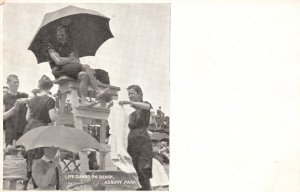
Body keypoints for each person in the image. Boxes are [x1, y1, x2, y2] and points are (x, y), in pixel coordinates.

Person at [47, 25, 109, 106]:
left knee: (84, 75)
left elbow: (76, 61)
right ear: (56, 36)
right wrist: (69, 59)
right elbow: (58, 61)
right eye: (58, 35)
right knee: (86, 66)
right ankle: (97, 91)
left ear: (66, 36)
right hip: (58, 70)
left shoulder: (68, 47)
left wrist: (66, 59)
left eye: (62, 35)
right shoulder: (51, 47)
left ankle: (83, 101)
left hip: (70, 69)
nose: (60, 37)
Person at [22, 75, 58, 190]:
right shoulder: (50, 100)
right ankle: (37, 184)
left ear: (39, 86)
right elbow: (52, 118)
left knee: (29, 156)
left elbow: (27, 118)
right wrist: (57, 113)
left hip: (29, 128)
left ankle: (26, 184)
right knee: (39, 158)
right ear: (50, 87)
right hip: (41, 129)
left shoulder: (31, 100)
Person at [119, 85, 153, 191]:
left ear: (139, 94)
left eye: (132, 93)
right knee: (132, 168)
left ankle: (147, 189)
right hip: (132, 141)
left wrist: (130, 103)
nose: (130, 96)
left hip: (143, 141)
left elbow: (147, 107)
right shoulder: (132, 113)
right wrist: (114, 105)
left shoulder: (145, 105)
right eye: (129, 94)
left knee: (144, 167)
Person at [3, 74, 28, 147]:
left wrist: (28, 100)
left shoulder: (23, 96)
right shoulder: (4, 98)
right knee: (10, 155)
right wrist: (14, 108)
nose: (17, 84)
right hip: (11, 132)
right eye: (14, 82)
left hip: (23, 130)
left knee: (23, 154)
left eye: (18, 82)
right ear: (8, 83)